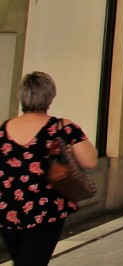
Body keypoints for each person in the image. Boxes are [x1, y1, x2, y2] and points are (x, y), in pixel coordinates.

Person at [1, 72, 98, 266]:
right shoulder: (62, 128)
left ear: (22, 97)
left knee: (20, 258)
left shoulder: (4, 129)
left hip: (8, 209)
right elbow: (90, 161)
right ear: (50, 97)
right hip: (45, 211)